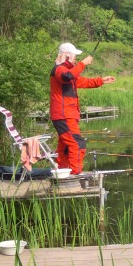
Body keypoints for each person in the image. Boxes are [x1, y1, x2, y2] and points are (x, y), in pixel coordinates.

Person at [49, 42, 115, 174]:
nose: (76, 59)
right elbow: (67, 76)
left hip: (67, 115)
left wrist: (101, 81)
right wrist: (83, 63)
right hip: (64, 115)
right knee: (78, 144)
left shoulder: (68, 71)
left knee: (66, 147)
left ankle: (63, 172)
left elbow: (82, 81)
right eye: (74, 56)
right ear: (67, 56)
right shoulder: (59, 69)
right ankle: (75, 173)